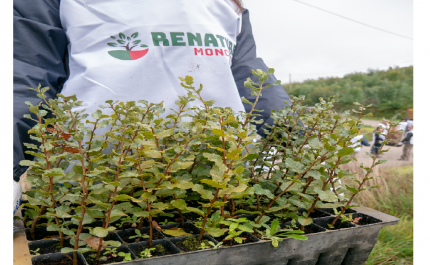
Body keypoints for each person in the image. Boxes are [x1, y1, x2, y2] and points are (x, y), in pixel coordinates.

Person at [13, 1, 293, 226]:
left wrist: (296, 142)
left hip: (217, 184)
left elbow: (251, 76)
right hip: (95, 188)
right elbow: (25, 76)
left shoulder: (227, 6)